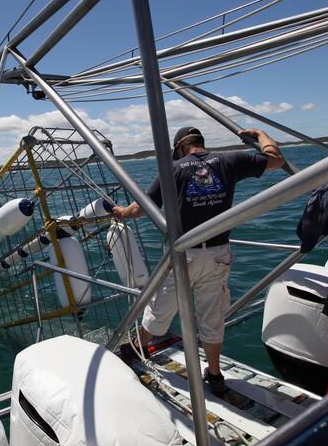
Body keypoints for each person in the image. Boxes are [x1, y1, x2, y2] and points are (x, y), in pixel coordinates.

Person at [113, 126, 285, 398]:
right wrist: (261, 135)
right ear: (200, 143)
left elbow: (141, 207)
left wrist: (122, 212)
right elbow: (276, 160)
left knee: (161, 309)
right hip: (218, 252)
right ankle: (214, 374)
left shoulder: (174, 169)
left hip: (185, 253)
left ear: (181, 148)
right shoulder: (231, 161)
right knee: (212, 317)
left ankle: (138, 347)